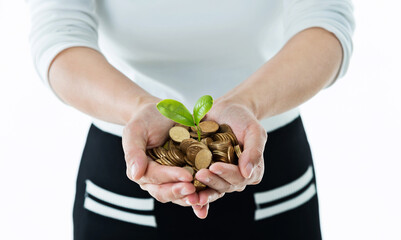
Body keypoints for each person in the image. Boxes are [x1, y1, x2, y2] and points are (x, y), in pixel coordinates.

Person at [27, 0, 354, 239]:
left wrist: (249, 102)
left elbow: (325, 20)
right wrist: (137, 107)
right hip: (125, 172)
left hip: (267, 166)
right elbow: (58, 32)